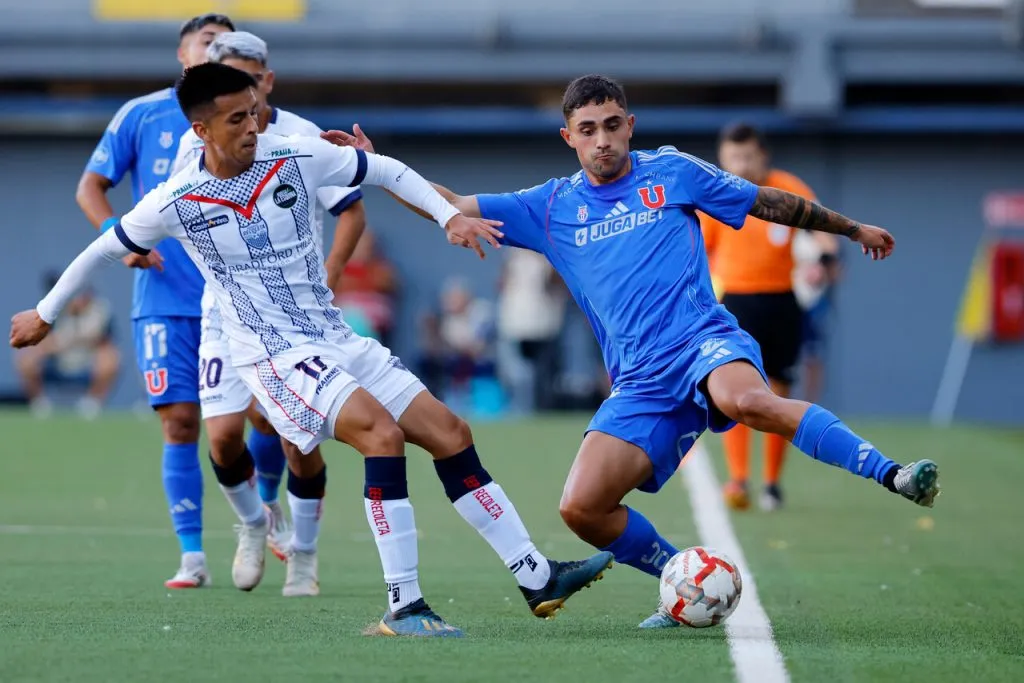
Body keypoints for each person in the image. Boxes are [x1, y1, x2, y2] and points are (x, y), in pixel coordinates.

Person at [11, 63, 612, 637]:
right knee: (381, 435)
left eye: (254, 112)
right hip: (274, 357)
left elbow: (385, 171)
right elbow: (101, 250)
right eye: (236, 119)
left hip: (335, 337)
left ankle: (534, 575)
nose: (253, 126)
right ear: (201, 130)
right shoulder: (177, 199)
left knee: (450, 432)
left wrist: (444, 217)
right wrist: (45, 314)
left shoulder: (295, 154)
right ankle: (404, 604)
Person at [320, 74, 941, 629]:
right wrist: (379, 169)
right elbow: (451, 204)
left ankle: (892, 473)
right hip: (640, 381)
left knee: (747, 400)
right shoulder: (551, 206)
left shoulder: (672, 172)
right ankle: (684, 580)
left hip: (704, 341)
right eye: (588, 130)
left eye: (612, 125)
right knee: (582, 508)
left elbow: (764, 201)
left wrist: (851, 228)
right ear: (569, 137)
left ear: (630, 125)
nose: (603, 140)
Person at [169, 31, 368, 587]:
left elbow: (351, 210)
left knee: (295, 436)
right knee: (222, 436)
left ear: (268, 80)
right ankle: (256, 523)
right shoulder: (194, 142)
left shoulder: (301, 136)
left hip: (294, 318)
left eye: (251, 81)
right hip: (225, 313)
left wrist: (327, 278)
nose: (246, 100)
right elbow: (173, 212)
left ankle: (303, 553)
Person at [75, 13, 235, 589]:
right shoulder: (141, 115)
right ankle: (193, 556)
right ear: (182, 52)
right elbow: (91, 187)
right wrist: (119, 240)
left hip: (237, 298)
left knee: (257, 424)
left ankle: (266, 521)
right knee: (181, 422)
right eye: (206, 41)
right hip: (166, 297)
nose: (215, 48)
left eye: (225, 42)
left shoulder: (245, 118)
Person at [700, 122, 839, 512]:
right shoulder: (719, 194)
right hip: (735, 303)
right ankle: (738, 478)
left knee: (778, 392)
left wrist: (825, 260)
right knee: (733, 391)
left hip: (781, 302)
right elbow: (699, 246)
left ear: (763, 155)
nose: (741, 166)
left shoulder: (786, 188)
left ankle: (773, 484)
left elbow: (821, 229)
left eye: (747, 157)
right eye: (733, 158)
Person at [15, 275, 119, 420]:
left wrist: (65, 341)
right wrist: (56, 344)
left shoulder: (101, 310)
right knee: (26, 357)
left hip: (88, 362)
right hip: (57, 361)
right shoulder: (53, 310)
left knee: (110, 357)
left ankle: (91, 404)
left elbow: (102, 342)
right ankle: (39, 404)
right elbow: (44, 342)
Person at [497, 248, 566, 414]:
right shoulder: (515, 256)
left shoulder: (546, 256)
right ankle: (522, 408)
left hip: (543, 323)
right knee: (520, 373)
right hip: (518, 322)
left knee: (542, 375)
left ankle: (540, 409)